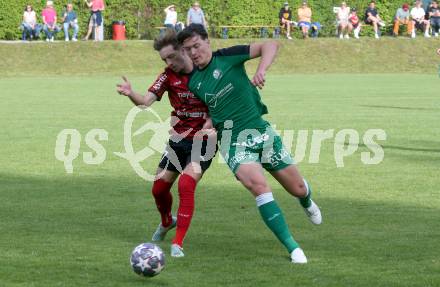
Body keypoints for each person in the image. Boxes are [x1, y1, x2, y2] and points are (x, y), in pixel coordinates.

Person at [178, 24, 322, 264]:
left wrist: (261, 70)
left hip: (260, 131)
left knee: (297, 188)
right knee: (258, 186)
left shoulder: (228, 57)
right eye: (188, 50)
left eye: (196, 46)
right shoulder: (193, 82)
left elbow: (271, 44)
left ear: (207, 42)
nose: (193, 53)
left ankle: (306, 200)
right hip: (233, 141)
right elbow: (212, 106)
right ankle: (293, 247)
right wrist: (209, 122)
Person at [116, 29, 216, 258]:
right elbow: (145, 103)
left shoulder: (207, 73)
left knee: (186, 185)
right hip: (179, 139)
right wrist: (131, 93)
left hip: (204, 140)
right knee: (159, 188)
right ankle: (166, 221)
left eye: (172, 57)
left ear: (184, 50)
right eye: (164, 60)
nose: (169, 63)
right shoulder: (167, 76)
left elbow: (220, 106)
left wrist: (211, 125)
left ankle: (177, 242)